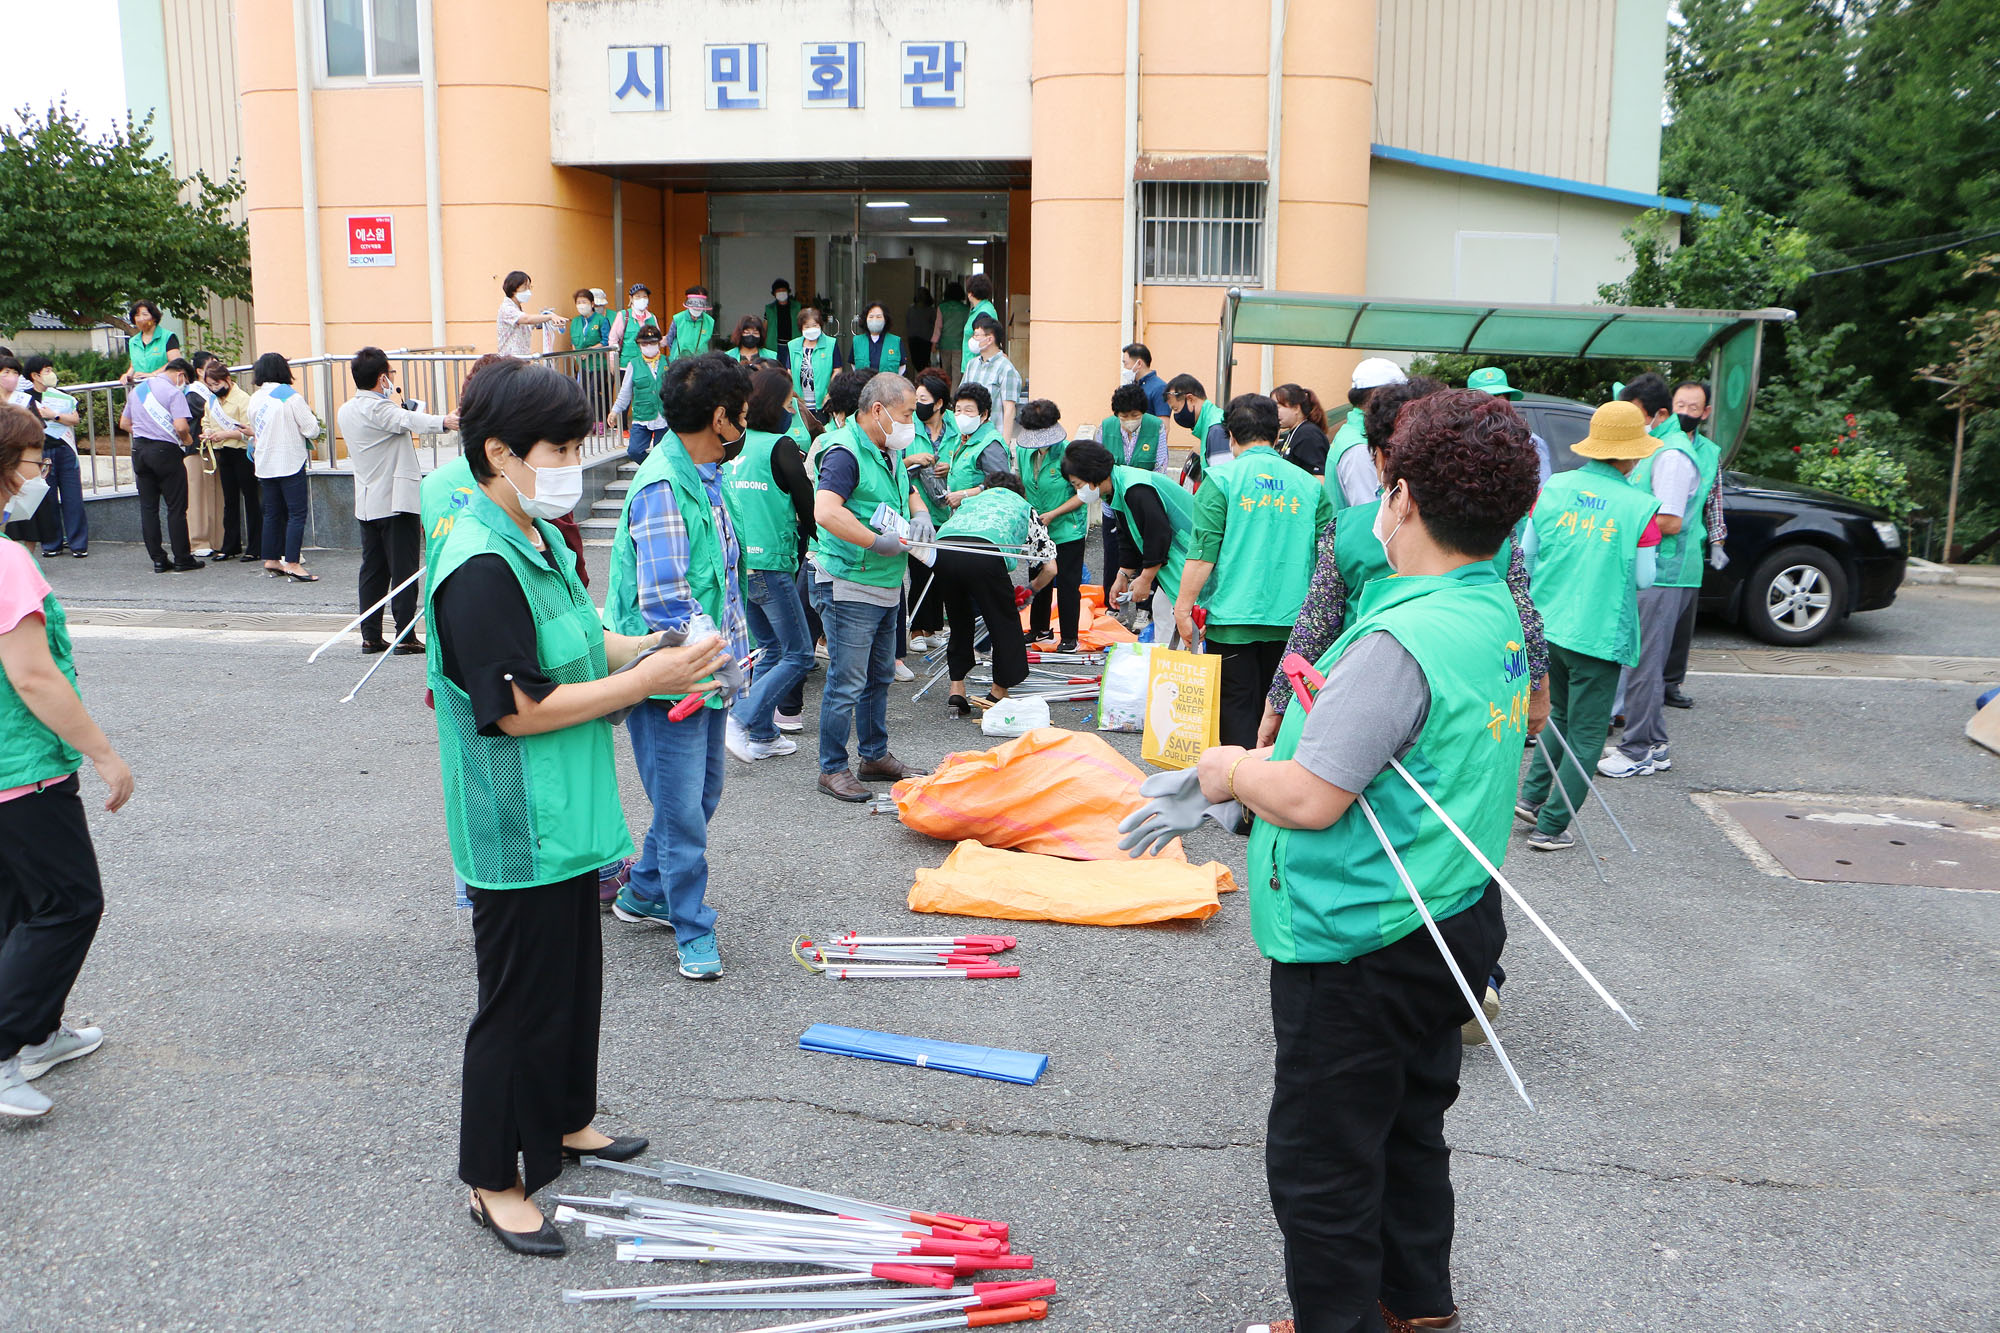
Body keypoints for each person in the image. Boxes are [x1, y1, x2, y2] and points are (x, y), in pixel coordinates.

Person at [1142, 389, 1540, 1333]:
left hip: (1363, 938)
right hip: (1451, 912)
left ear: (1402, 498)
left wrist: (1225, 769)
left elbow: (1312, 796)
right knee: (1407, 1124)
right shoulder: (1493, 606)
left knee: (1322, 1161)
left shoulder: (1402, 638)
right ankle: (1415, 1303)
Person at [424, 358, 729, 1255]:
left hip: (568, 813)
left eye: (575, 444)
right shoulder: (477, 562)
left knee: (571, 982)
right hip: (516, 821)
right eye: (558, 448)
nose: (572, 462)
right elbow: (515, 708)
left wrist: (654, 646)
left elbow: (588, 639)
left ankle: (563, 1119)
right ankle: (492, 1178)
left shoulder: (540, 536)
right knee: (515, 1001)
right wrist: (644, 680)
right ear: (499, 452)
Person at [1263, 376, 1550, 755]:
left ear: (1382, 459)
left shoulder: (1348, 531)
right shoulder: (1491, 528)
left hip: (1359, 709)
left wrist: (1278, 704)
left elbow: (1315, 627)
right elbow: (1523, 616)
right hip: (1468, 698)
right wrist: (1537, 688)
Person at [0, 404, 134, 1120]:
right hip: (24, 770)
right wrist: (104, 754)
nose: (41, 473)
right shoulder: (7, 562)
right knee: (68, 903)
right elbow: (33, 676)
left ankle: (39, 1029)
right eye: (34, 461)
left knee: (17, 905)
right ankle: (5, 1048)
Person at [604, 355, 754, 981]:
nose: (745, 423)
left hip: (704, 670)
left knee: (698, 795)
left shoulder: (704, 474)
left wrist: (728, 657)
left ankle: (643, 889)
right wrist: (720, 655)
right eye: (741, 413)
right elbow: (666, 600)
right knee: (682, 809)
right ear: (719, 418)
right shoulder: (664, 485)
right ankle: (692, 925)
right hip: (669, 675)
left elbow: (721, 577)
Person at [1516, 399, 1663, 852]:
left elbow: (1527, 554)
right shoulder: (1639, 506)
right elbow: (1645, 579)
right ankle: (1552, 825)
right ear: (1631, 455)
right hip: (1599, 634)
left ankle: (1531, 797)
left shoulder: (1555, 487)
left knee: (1558, 715)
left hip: (1547, 625)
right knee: (1586, 733)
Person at [1174, 394, 1331, 749]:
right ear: (1276, 435)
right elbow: (1326, 557)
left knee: (1236, 713)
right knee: (1283, 718)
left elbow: (1202, 554)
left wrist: (1183, 609)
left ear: (1231, 436)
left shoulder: (1220, 480)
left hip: (1232, 620)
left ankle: (1238, 782)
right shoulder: (1309, 485)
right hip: (1293, 623)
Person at [812, 373, 932, 802]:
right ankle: (832, 768)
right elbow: (826, 511)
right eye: (907, 414)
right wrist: (874, 541)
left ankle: (874, 755)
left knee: (879, 675)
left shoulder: (887, 448)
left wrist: (920, 514)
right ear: (878, 410)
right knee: (847, 682)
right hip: (850, 582)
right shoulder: (844, 452)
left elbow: (908, 489)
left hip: (885, 582)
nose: (910, 424)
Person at [1601, 373, 1717, 779]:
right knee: (1641, 660)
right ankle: (1655, 744)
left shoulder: (1670, 455)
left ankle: (1636, 751)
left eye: (1637, 416)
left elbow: (1669, 520)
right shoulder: (1655, 448)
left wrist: (1621, 523)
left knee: (1644, 664)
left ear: (1660, 415)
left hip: (1666, 573)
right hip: (1656, 570)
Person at [724, 362, 818, 760]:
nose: (792, 410)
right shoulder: (780, 446)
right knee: (800, 653)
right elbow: (806, 501)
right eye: (788, 402)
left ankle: (763, 734)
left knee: (770, 649)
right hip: (772, 564)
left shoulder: (736, 446)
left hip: (741, 565)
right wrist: (819, 534)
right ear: (772, 404)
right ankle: (740, 718)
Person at [340, 346, 459, 654]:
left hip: (368, 502)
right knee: (403, 571)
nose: (391, 379)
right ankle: (405, 635)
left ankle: (370, 635)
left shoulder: (346, 410)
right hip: (395, 502)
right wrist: (446, 421)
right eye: (390, 373)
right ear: (382, 378)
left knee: (373, 571)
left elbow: (401, 418)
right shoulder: (380, 409)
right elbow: (408, 419)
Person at [932, 472, 1055, 714]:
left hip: (943, 550)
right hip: (985, 554)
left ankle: (957, 688)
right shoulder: (1024, 507)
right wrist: (1030, 590)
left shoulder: (972, 501)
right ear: (1020, 492)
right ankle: (998, 691)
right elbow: (1050, 568)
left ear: (988, 487)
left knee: (959, 620)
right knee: (1003, 623)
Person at [1061, 439, 1195, 649]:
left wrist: (1145, 578)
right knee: (1164, 610)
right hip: (1180, 559)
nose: (1079, 491)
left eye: (1078, 484)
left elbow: (1157, 534)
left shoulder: (1135, 489)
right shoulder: (1117, 488)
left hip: (1190, 555)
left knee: (1183, 616)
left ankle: (1184, 665)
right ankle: (1171, 664)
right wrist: (1122, 575)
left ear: (1092, 474)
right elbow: (1127, 535)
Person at [1661, 379, 1729, 709]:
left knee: (1682, 627)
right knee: (1654, 627)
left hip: (1690, 551)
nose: (1686, 412)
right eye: (1680, 406)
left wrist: (1718, 541)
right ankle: (1644, 685)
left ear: (1706, 412)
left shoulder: (1709, 452)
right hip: (1657, 549)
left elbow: (1714, 500)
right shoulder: (1659, 444)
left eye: (1693, 408)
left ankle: (1671, 684)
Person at [118, 356, 202, 573]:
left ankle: (158, 559)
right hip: (165, 453)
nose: (184, 386)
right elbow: (181, 427)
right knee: (176, 508)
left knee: (149, 508)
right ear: (181, 375)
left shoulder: (138, 391)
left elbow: (124, 423)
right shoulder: (174, 393)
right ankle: (182, 558)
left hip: (140, 450)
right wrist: (187, 441)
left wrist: (146, 432)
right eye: (186, 381)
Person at [1015, 400, 1087, 652]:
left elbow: (1084, 494)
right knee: (1038, 578)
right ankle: (1039, 629)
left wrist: (1054, 514)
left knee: (1067, 583)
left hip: (1067, 528)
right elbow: (1023, 484)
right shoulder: (1024, 451)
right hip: (1037, 529)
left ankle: (1069, 637)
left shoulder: (1069, 453)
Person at [247, 352, 325, 583]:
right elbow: (312, 429)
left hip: (264, 463)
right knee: (296, 513)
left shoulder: (255, 398)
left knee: (272, 513)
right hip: (289, 461)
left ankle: (271, 558)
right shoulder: (290, 397)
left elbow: (255, 428)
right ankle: (292, 562)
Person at [1097, 382, 1169, 603]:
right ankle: (1113, 605)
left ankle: (1144, 607)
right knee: (1114, 556)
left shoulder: (1156, 427)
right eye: (1124, 416)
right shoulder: (1106, 427)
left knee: (1150, 555)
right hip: (1113, 507)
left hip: (1144, 507)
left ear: (1143, 412)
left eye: (1135, 415)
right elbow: (1098, 466)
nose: (1129, 420)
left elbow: (1160, 467)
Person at [905, 370, 958, 651]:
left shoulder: (955, 429)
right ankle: (916, 629)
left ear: (939, 403)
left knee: (940, 570)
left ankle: (933, 627)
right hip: (916, 508)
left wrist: (951, 467)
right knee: (919, 569)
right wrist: (911, 459)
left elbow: (964, 462)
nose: (918, 404)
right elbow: (893, 461)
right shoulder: (908, 425)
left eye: (923, 399)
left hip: (947, 511)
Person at [20, 358, 86, 557]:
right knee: (47, 499)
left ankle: (78, 544)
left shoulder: (61, 395)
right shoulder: (25, 398)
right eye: (47, 370)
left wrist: (54, 415)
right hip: (41, 451)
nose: (51, 374)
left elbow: (75, 419)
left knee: (73, 497)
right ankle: (51, 543)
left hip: (65, 449)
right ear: (35, 375)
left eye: (51, 370)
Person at [197, 358, 260, 563]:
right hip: (223, 452)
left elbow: (248, 431)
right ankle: (230, 545)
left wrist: (224, 434)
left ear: (227, 379)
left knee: (251, 500)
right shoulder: (212, 401)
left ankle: (255, 547)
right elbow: (206, 421)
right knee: (230, 501)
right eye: (210, 385)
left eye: (216, 384)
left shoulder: (243, 399)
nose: (214, 389)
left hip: (242, 453)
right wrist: (207, 432)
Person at [1328, 358, 1407, 509]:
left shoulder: (1353, 432)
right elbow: (1370, 513)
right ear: (1375, 395)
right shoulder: (1359, 448)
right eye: (1398, 394)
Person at [1466, 367, 1551, 484]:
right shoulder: (1459, 443)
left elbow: (1541, 489)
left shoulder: (1530, 443)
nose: (1491, 407)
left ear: (1508, 401)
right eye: (1485, 400)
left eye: (1498, 399)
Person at [180, 352, 227, 559]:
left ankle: (217, 539)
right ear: (199, 371)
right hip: (196, 449)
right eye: (211, 365)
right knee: (197, 495)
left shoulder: (212, 393)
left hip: (213, 448)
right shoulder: (193, 394)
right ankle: (198, 541)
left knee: (215, 495)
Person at [608, 324, 670, 463]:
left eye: (652, 343)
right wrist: (615, 411)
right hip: (642, 416)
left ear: (659, 343)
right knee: (634, 451)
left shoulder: (668, 362)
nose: (648, 346)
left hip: (664, 417)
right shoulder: (633, 364)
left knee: (663, 454)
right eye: (644, 344)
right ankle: (651, 468)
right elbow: (625, 392)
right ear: (639, 345)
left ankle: (657, 470)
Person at [940, 382, 1011, 505]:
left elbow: (1002, 486)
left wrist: (966, 495)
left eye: (968, 411)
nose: (962, 415)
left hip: (981, 512)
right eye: (958, 410)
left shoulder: (991, 444)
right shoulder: (962, 438)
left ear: (983, 415)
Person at [961, 314, 1023, 439]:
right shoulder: (972, 365)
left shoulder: (1006, 369)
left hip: (992, 437)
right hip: (970, 437)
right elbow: (962, 397)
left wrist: (1005, 442)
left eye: (976, 335)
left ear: (989, 339)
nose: (973, 340)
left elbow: (1009, 409)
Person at [1166, 374, 1229, 481]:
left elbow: (1221, 481)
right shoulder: (1209, 425)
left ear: (1190, 399)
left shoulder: (1216, 430)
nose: (1176, 415)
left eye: (1176, 409)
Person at [788, 307, 838, 419]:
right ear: (801, 328)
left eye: (815, 325)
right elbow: (789, 371)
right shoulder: (792, 346)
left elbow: (837, 370)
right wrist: (794, 396)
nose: (811, 329)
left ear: (820, 325)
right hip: (799, 404)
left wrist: (829, 393)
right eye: (807, 326)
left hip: (822, 404)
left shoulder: (831, 344)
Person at [1272, 383, 1330, 475]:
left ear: (1296, 408)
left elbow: (1319, 476)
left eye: (1278, 407)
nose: (1274, 412)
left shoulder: (1308, 434)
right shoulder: (1294, 433)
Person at [496, 271, 556, 358]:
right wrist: (550, 317)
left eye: (529, 287)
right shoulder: (506, 308)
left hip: (522, 359)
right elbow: (527, 319)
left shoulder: (517, 309)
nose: (528, 291)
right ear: (513, 288)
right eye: (525, 287)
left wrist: (543, 319)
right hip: (510, 361)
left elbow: (527, 324)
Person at [120, 300, 180, 383]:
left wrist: (153, 374)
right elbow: (134, 366)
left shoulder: (167, 337)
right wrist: (127, 375)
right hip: (142, 387)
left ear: (154, 318)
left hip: (165, 385)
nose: (141, 319)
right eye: (137, 315)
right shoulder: (133, 341)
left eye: (145, 314)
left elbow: (176, 362)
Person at [609, 283, 662, 368]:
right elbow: (613, 340)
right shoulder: (623, 315)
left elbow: (658, 340)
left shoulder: (652, 317)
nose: (642, 299)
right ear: (631, 298)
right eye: (638, 296)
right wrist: (612, 361)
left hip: (649, 365)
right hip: (627, 365)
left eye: (645, 297)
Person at [959, 273, 999, 373]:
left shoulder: (982, 313)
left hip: (977, 367)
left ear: (970, 293)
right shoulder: (986, 308)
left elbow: (980, 342)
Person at [852, 302, 905, 376]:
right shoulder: (857, 341)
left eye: (879, 317)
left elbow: (902, 367)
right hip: (864, 382)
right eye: (871, 317)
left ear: (885, 319)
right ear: (865, 319)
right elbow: (853, 365)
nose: (874, 319)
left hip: (887, 382)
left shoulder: (896, 341)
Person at [1121, 343, 1171, 420]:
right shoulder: (1132, 387)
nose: (1124, 368)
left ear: (1139, 363)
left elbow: (1163, 424)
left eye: (1126, 363)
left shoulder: (1159, 388)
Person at [667, 286, 716, 360]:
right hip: (679, 361)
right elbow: (670, 339)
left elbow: (709, 342)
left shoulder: (709, 321)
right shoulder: (678, 319)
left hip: (702, 362)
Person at [936, 282, 970, 387]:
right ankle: (954, 394)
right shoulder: (965, 309)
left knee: (945, 372)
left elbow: (938, 327)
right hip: (959, 344)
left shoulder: (941, 307)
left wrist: (934, 343)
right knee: (957, 373)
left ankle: (946, 391)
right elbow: (967, 328)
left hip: (944, 344)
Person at [764, 279, 797, 367]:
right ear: (774, 294)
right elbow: (765, 328)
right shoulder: (770, 309)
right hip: (774, 345)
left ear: (788, 292)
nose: (781, 293)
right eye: (778, 291)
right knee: (774, 368)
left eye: (783, 290)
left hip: (793, 344)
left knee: (792, 368)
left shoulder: (797, 307)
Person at [567, 288, 612, 352]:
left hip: (597, 357)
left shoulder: (601, 320)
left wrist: (589, 350)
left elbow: (606, 341)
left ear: (592, 304)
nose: (581, 305)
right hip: (579, 357)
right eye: (578, 303)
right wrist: (575, 355)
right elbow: (573, 342)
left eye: (584, 302)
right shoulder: (575, 321)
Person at [904, 288, 937, 376]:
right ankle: (922, 377)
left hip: (922, 339)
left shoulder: (930, 310)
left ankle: (922, 377)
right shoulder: (913, 309)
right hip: (919, 339)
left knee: (920, 362)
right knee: (919, 362)